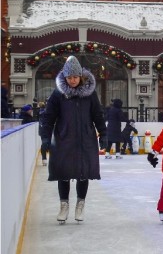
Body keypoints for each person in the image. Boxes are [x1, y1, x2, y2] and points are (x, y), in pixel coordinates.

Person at [39, 56, 107, 224]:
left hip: (86, 139)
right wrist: (45, 137)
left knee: (83, 174)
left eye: (75, 77)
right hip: (64, 138)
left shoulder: (89, 94)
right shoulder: (58, 94)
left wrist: (104, 133)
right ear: (65, 77)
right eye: (69, 78)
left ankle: (80, 205)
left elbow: (97, 115)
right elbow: (48, 117)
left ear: (81, 76)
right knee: (63, 173)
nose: (72, 80)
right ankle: (64, 206)